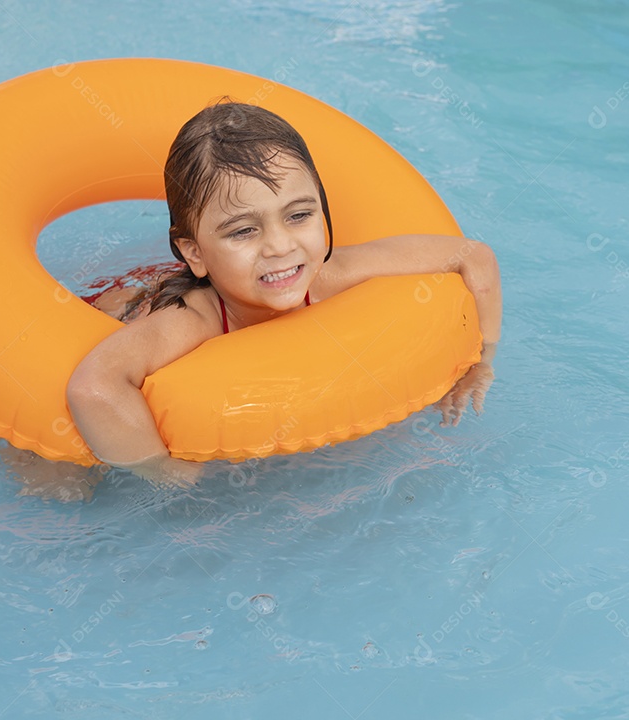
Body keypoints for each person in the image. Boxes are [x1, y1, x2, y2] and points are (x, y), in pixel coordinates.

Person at [67, 101, 501, 488]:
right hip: (129, 300)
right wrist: (162, 472)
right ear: (195, 253)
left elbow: (472, 256)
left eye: (298, 215)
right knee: (61, 476)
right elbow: (93, 386)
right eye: (243, 230)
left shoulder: (333, 274)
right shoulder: (193, 319)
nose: (280, 246)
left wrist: (480, 361)